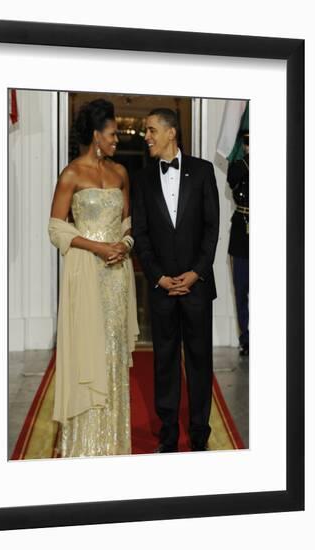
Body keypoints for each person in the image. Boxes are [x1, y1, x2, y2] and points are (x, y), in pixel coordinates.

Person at [48, 99, 139, 458]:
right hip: (85, 273)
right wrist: (98, 248)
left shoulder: (120, 173)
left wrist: (125, 244)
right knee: (88, 349)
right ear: (96, 135)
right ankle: (83, 444)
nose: (118, 140)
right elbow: (56, 228)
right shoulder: (71, 174)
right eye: (113, 134)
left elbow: (129, 222)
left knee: (113, 351)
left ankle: (113, 442)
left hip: (117, 277)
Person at [132, 108, 219, 452]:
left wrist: (196, 273)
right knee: (165, 362)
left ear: (171, 133)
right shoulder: (142, 179)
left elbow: (212, 227)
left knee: (199, 361)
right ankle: (167, 434)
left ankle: (199, 435)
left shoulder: (202, 171)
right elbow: (141, 234)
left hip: (197, 286)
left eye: (152, 130)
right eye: (146, 131)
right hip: (162, 289)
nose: (147, 136)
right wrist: (159, 277)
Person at [227, 131, 249, 356]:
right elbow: (232, 179)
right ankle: (246, 338)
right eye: (247, 141)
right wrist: (248, 159)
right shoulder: (238, 165)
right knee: (241, 288)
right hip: (242, 231)